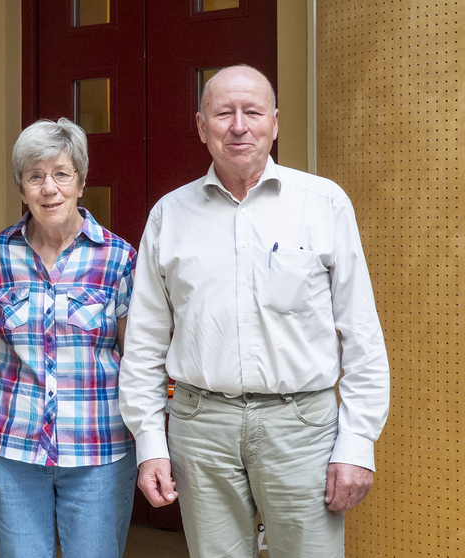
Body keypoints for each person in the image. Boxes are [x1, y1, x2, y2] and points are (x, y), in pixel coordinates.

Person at [118, 65, 390, 557]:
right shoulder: (169, 216)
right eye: (224, 113)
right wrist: (149, 441)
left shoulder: (324, 204)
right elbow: (144, 342)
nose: (239, 126)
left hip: (302, 428)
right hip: (200, 427)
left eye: (253, 112)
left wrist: (357, 442)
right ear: (202, 127)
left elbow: (362, 334)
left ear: (275, 123)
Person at [0, 118, 136, 558]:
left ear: (81, 183)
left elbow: (133, 356)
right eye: (35, 176)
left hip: (98, 450)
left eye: (62, 174)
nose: (50, 188)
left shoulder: (118, 258)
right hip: (13, 449)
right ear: (21, 188)